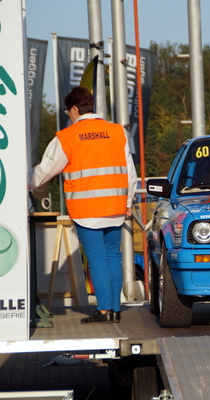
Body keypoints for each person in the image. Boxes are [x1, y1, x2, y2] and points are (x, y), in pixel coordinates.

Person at [28, 87, 137, 324]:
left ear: (75, 109)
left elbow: (44, 172)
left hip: (87, 209)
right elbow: (130, 172)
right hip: (116, 206)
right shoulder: (117, 131)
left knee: (96, 258)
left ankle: (104, 310)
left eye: (68, 111)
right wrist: (127, 202)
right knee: (111, 256)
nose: (68, 115)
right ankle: (115, 309)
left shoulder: (67, 137)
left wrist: (20, 183)